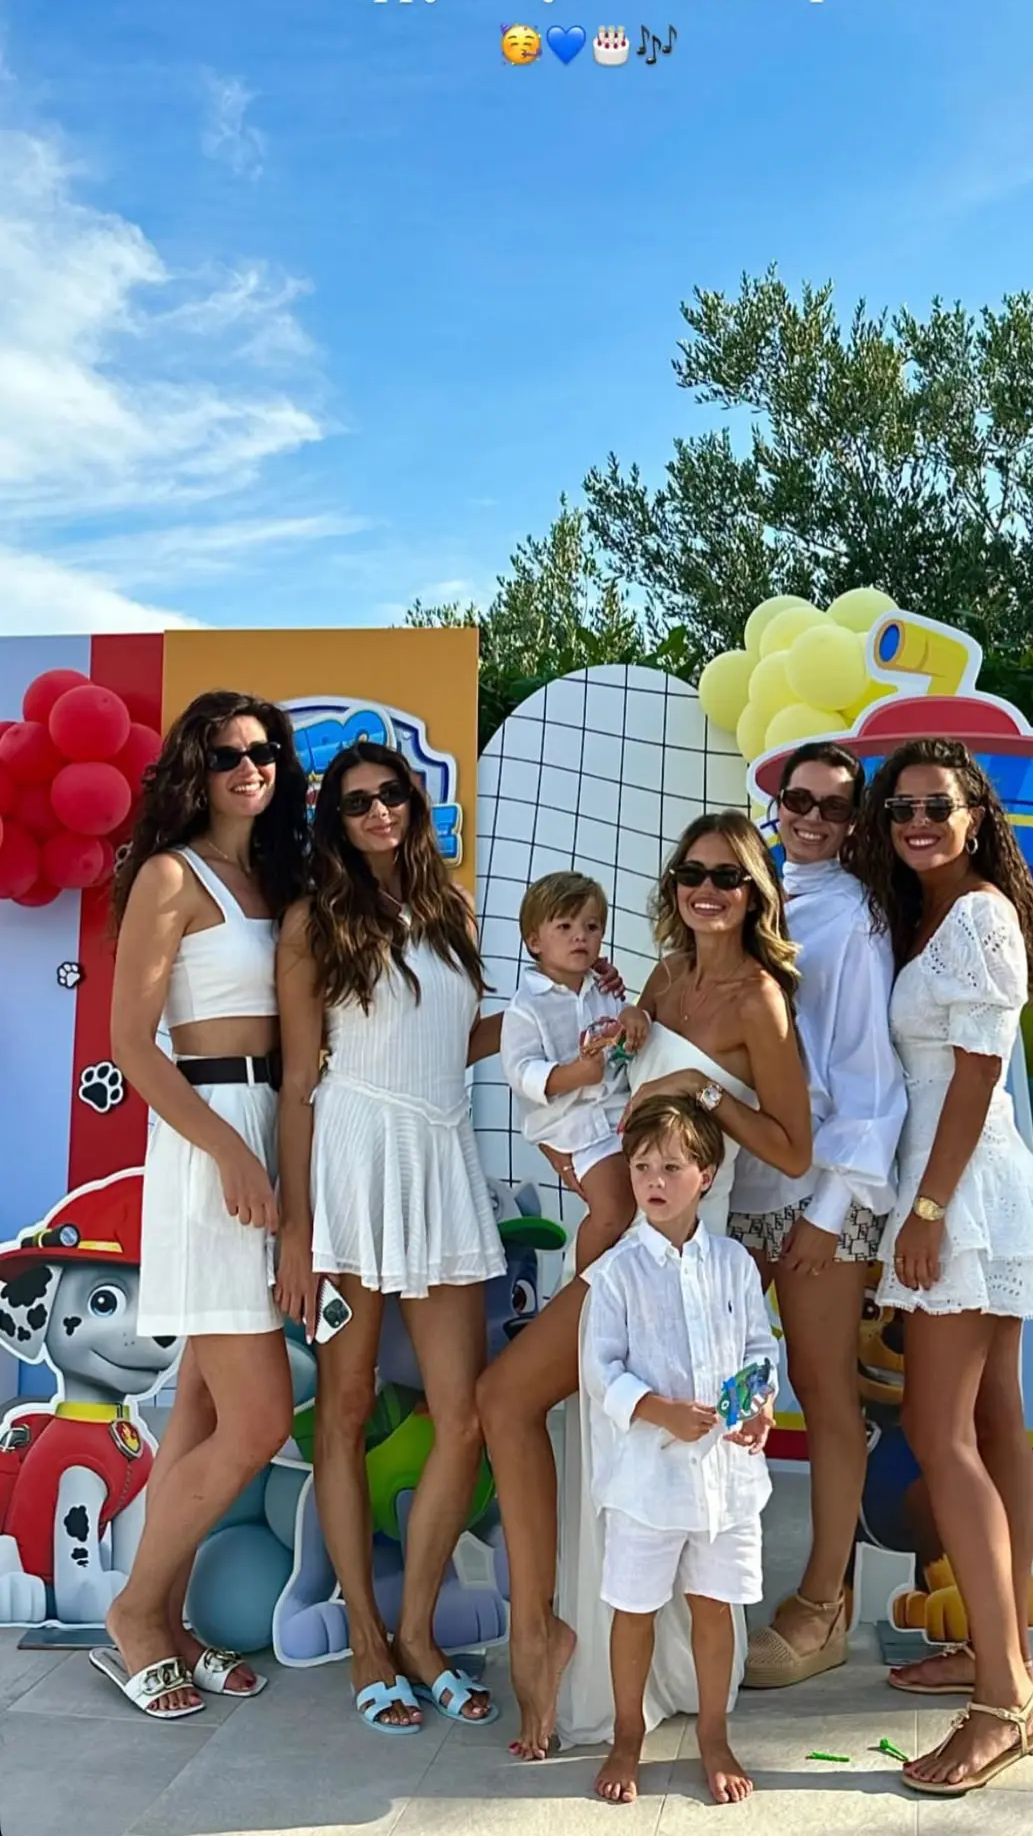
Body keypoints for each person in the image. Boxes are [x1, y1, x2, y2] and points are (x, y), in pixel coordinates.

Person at [476, 809, 811, 1760]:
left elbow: (793, 1147)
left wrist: (711, 1100)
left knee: (507, 1396)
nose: (707, 890)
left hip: (681, 1255)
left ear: (754, 892)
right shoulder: (660, 978)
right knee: (530, 1409)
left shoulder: (759, 1000)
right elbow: (609, 1093)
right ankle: (551, 1627)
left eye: (728, 876)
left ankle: (551, 1637)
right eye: (691, 873)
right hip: (624, 1241)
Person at [275, 742, 508, 1735]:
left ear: (414, 802)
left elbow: (454, 1042)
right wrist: (298, 1228)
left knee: (464, 1415)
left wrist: (558, 1013)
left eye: (391, 794)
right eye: (356, 801)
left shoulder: (453, 909)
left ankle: (416, 1631)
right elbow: (299, 1080)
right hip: (352, 1166)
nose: (378, 811)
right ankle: (366, 1641)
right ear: (335, 820)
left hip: (439, 1158)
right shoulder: (312, 920)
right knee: (344, 1404)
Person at [849, 735, 1033, 1797]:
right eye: (901, 809)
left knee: (939, 1433)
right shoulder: (930, 913)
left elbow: (979, 1074)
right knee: (991, 1421)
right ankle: (998, 1653)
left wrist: (928, 1209)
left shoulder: (978, 914)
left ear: (977, 814)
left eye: (938, 805)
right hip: (960, 1180)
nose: (918, 823)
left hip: (963, 1185)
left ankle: (1003, 1703)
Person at [92, 690, 309, 1719]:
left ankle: (168, 1617)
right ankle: (135, 1613)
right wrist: (228, 1151)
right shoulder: (171, 875)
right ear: (197, 768)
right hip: (208, 1136)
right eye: (227, 754)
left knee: (204, 1406)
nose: (248, 767)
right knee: (258, 1416)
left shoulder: (276, 877)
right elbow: (133, 1044)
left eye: (264, 751)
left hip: (270, 1121)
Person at [733, 744, 906, 1690]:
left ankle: (821, 1603)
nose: (810, 818)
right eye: (796, 798)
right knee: (714, 1381)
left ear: (854, 821)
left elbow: (866, 1081)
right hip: (734, 1184)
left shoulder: (857, 919)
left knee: (824, 1390)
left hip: (815, 1197)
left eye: (833, 807)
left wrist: (828, 1210)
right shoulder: (745, 894)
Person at [584, 1095, 777, 1808]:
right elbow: (600, 1369)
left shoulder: (733, 1263)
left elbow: (759, 1347)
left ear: (706, 1175)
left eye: (670, 1167)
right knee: (633, 1609)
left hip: (725, 1480)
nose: (653, 1181)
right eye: (642, 1167)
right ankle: (626, 1734)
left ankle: (713, 1735)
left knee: (713, 1605)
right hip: (647, 1483)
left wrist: (760, 1403)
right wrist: (658, 1410)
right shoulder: (616, 1272)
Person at [500, 870, 651, 1273]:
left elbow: (624, 1022)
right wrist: (574, 1075)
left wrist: (635, 1015)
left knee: (647, 1204)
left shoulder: (603, 987)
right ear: (534, 941)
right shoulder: (526, 1008)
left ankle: (619, 1285)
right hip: (574, 1130)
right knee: (612, 1210)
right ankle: (583, 1287)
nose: (579, 936)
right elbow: (521, 1071)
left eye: (591, 927)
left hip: (621, 1116)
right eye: (564, 926)